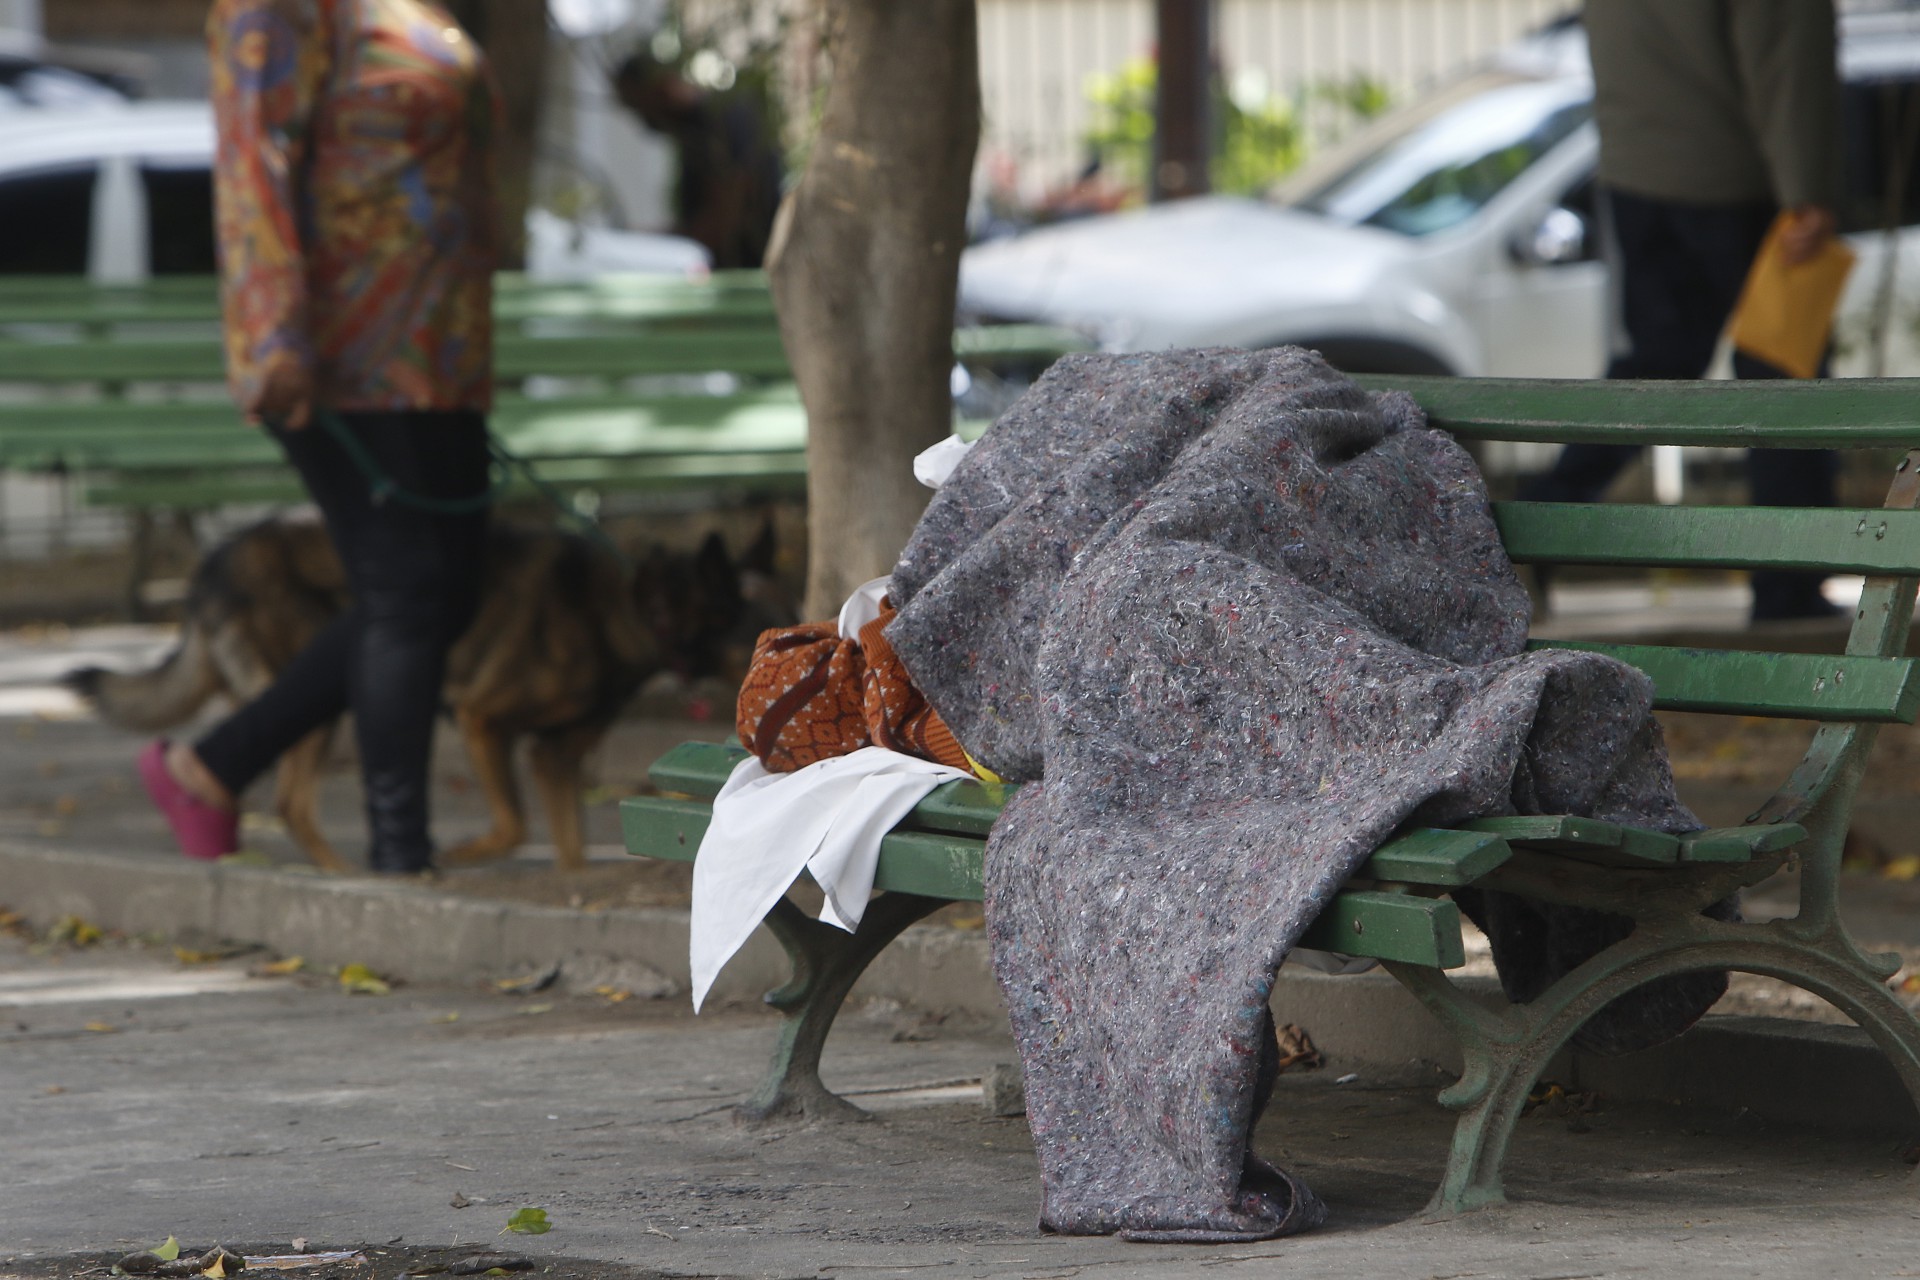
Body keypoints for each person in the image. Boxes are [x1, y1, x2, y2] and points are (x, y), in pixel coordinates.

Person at [138, 0, 500, 874]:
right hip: (341, 354)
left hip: (438, 348)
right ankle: (399, 860)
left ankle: (211, 765)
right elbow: (252, 163)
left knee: (445, 590)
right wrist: (274, 336)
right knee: (408, 589)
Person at [1525, 0, 1844, 622]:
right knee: (1784, 386)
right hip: (1738, 179)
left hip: (1635, 176)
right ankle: (1788, 587)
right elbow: (1787, 60)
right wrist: (1807, 191)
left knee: (1654, 370)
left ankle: (1533, 523)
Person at [612, 51, 784, 269]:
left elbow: (727, 216)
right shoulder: (693, 132)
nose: (642, 119)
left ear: (662, 86)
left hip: (749, 269)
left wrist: (657, 246)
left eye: (638, 105)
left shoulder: (722, 121)